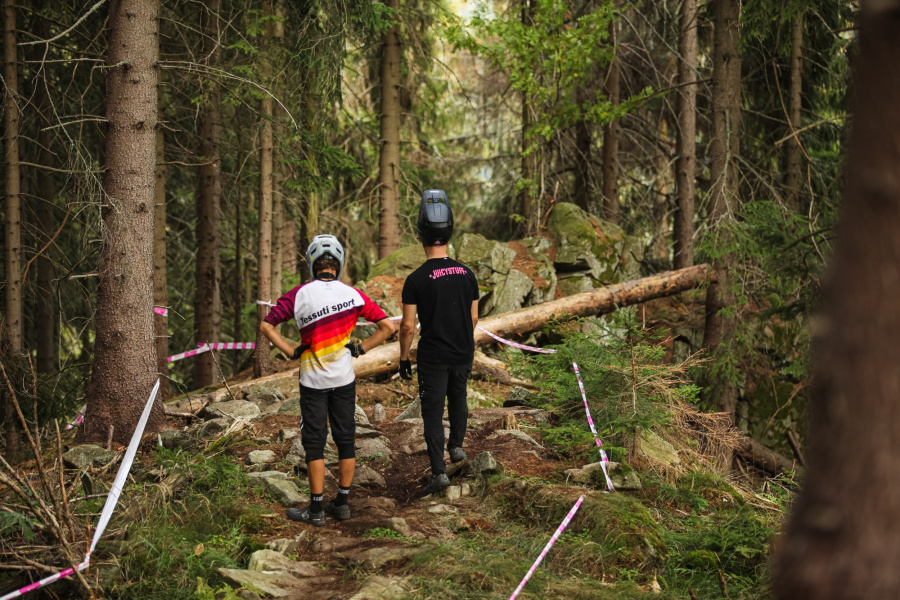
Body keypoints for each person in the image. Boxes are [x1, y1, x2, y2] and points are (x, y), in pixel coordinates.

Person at [260, 234, 395, 526]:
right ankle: (343, 503)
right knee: (346, 439)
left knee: (314, 443)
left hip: (312, 381)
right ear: (339, 264)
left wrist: (290, 350)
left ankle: (317, 509)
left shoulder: (298, 295)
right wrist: (361, 348)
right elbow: (386, 327)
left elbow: (266, 325)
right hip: (344, 378)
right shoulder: (353, 294)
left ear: (312, 263)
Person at [398, 190, 480, 495]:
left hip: (433, 355)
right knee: (459, 397)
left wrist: (404, 357)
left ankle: (439, 473)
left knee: (432, 412)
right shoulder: (467, 274)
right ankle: (456, 447)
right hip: (462, 350)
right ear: (449, 232)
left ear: (421, 233)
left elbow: (407, 326)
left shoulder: (416, 280)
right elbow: (473, 319)